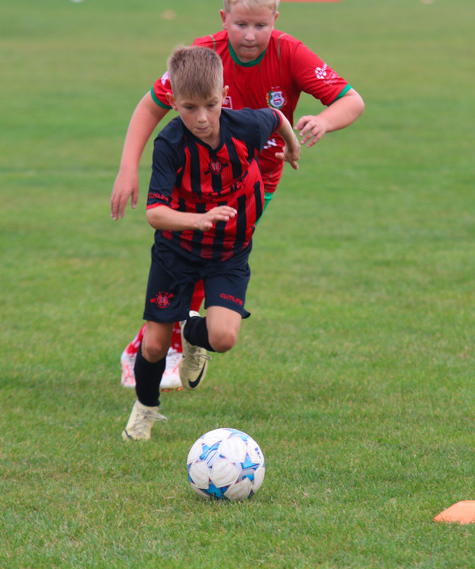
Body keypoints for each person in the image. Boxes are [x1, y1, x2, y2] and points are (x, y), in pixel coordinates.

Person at [111, 0, 364, 390]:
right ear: (223, 18)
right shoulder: (203, 56)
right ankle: (152, 345)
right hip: (195, 179)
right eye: (240, 23)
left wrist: (323, 120)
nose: (250, 34)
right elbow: (151, 105)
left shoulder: (290, 53)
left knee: (214, 252)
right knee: (187, 251)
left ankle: (180, 340)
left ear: (275, 19)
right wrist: (128, 167)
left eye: (260, 25)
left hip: (256, 182)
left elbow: (352, 100)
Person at [122, 45, 301, 440]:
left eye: (211, 104)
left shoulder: (244, 125)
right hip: (176, 253)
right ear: (172, 102)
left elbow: (275, 117)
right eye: (188, 108)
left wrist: (291, 144)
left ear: (223, 94)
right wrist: (199, 219)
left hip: (229, 253)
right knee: (152, 346)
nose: (201, 118)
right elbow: (155, 213)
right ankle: (146, 409)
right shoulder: (170, 145)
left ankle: (191, 335)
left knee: (223, 337)